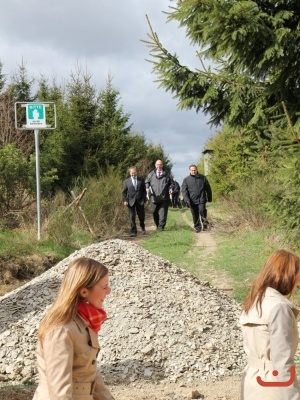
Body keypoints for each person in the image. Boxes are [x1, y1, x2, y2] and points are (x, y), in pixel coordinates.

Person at [32, 257, 115, 400]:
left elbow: (90, 375)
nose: (109, 291)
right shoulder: (60, 330)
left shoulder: (83, 323)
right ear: (83, 292)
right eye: (104, 287)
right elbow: (59, 393)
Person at [240, 249, 300, 400]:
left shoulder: (254, 301)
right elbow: (282, 361)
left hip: (251, 381)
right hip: (274, 385)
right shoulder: (278, 307)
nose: (298, 281)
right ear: (287, 275)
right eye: (297, 274)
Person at [181, 164, 212, 232]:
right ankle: (197, 227)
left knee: (202, 211)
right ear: (189, 171)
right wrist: (186, 199)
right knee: (194, 214)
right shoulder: (186, 180)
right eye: (192, 170)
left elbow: (208, 188)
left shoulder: (203, 178)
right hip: (191, 200)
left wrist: (209, 197)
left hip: (202, 199)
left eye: (195, 170)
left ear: (197, 170)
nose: (193, 171)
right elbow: (184, 190)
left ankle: (205, 225)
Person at [145, 159, 171, 231]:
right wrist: (147, 188)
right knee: (154, 212)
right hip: (154, 198)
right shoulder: (151, 174)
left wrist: (170, 188)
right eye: (157, 165)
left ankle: (161, 228)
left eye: (160, 165)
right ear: (155, 165)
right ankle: (158, 225)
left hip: (164, 198)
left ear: (162, 165)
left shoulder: (167, 174)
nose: (159, 166)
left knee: (163, 214)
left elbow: (171, 183)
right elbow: (146, 182)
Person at [122, 166, 146, 237]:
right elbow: (124, 192)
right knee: (132, 216)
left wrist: (144, 199)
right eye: (132, 173)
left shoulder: (141, 180)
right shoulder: (126, 181)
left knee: (141, 216)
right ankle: (133, 231)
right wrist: (125, 200)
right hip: (130, 201)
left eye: (134, 173)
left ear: (136, 172)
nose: (133, 174)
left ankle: (142, 226)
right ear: (130, 173)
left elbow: (144, 191)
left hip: (140, 201)